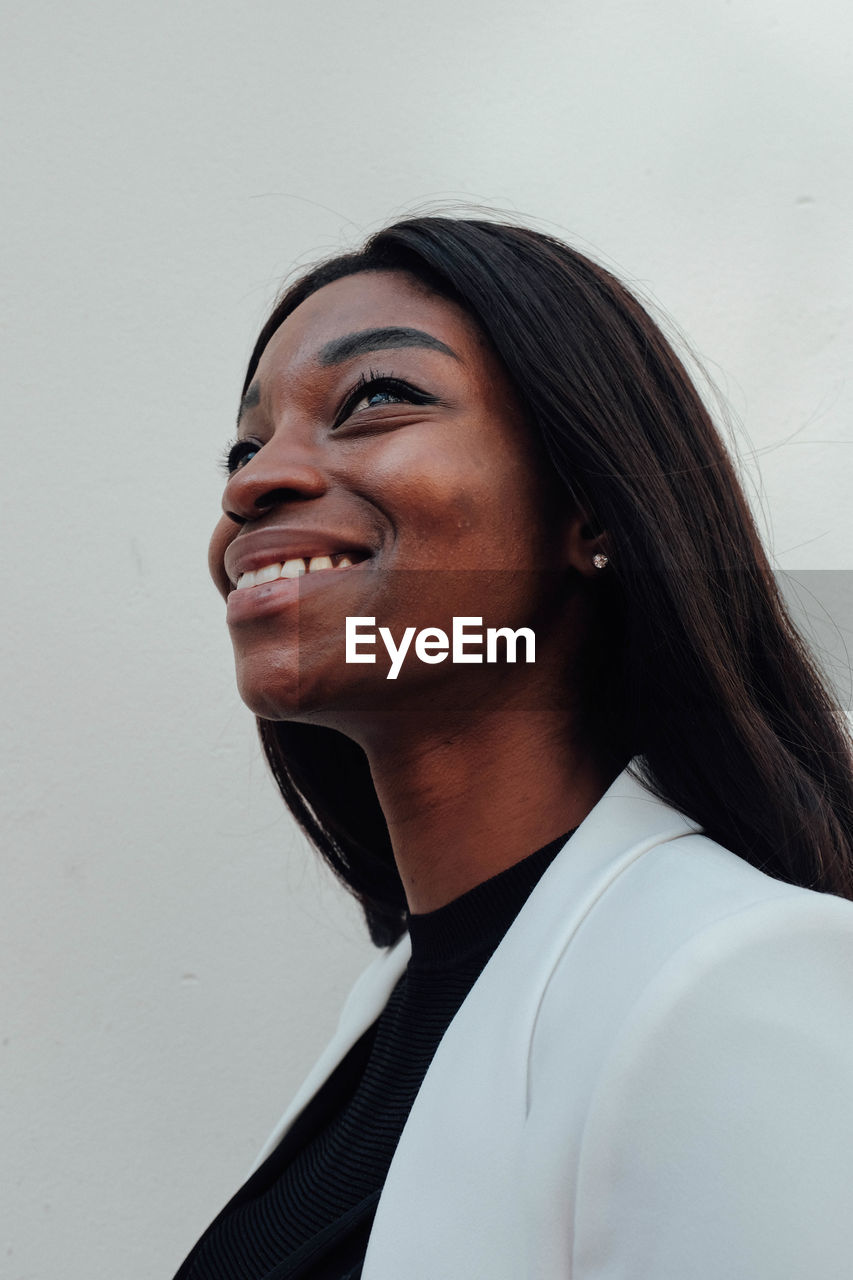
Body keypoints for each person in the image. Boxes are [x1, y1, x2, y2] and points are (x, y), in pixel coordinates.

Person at [172, 215, 853, 1280]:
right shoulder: (402, 999)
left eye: (374, 399)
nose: (250, 485)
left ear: (591, 507)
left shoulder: (729, 975)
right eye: (245, 444)